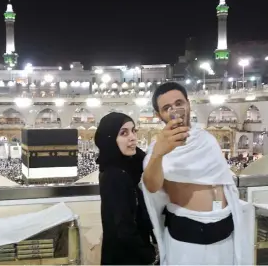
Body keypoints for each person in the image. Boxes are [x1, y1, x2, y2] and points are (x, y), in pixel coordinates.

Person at [141, 82, 253, 265]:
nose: (175, 110)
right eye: (167, 107)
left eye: (179, 103)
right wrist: (159, 153)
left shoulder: (206, 139)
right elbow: (151, 186)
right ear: (159, 115)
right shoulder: (158, 148)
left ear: (188, 104)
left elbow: (223, 180)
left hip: (224, 228)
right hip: (187, 235)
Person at [95, 112, 157, 265]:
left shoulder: (129, 167)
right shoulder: (114, 176)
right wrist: (150, 254)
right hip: (126, 257)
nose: (132, 137)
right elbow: (124, 229)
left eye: (133, 130)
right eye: (123, 133)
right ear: (109, 139)